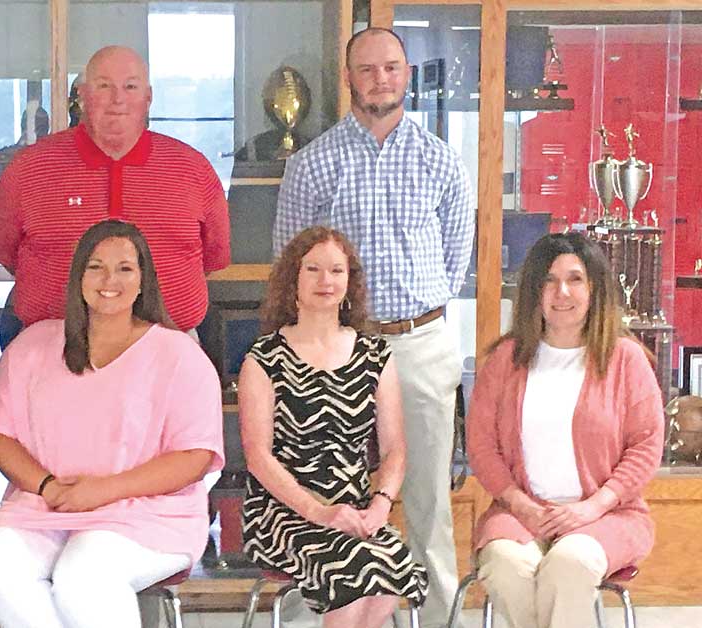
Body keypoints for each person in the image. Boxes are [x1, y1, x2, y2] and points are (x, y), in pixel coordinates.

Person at [271, 27, 474, 626]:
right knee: (328, 496)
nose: (380, 79)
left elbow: (454, 261)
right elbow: (290, 260)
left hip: (420, 342)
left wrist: (413, 311)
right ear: (349, 78)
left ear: (406, 75)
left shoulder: (441, 161)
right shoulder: (313, 163)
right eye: (367, 69)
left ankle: (438, 620)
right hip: (336, 350)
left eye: (391, 67)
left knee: (429, 501)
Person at [0, 220, 224, 628]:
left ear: (143, 280)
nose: (110, 280)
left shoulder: (179, 355)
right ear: (78, 276)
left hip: (149, 514)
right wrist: (48, 487)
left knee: (83, 575)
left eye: (125, 268)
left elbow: (194, 457)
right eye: (96, 267)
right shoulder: (32, 345)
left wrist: (103, 491)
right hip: (44, 506)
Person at [466, 232, 663, 628]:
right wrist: (521, 504)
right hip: (520, 513)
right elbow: (482, 446)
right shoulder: (505, 359)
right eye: (549, 280)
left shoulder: (626, 359)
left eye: (575, 279)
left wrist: (593, 506)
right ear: (533, 291)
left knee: (569, 564)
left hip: (607, 516)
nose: (562, 292)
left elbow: (645, 447)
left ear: (594, 289)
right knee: (506, 565)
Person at [240, 226, 427, 627]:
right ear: (293, 278)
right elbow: (257, 456)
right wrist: (319, 512)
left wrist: (381, 505)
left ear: (349, 281)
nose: (325, 280)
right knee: (352, 570)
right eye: (313, 269)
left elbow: (394, 449)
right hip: (284, 510)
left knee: (390, 568)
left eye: (337, 271)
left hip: (356, 506)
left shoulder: (375, 353)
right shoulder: (264, 357)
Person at [0, 45, 231, 343]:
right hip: (54, 347)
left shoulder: (192, 169)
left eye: (130, 87)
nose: (118, 99)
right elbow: (1, 249)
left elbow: (215, 257)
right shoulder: (30, 168)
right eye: (104, 86)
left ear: (148, 97)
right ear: (83, 95)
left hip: (169, 347)